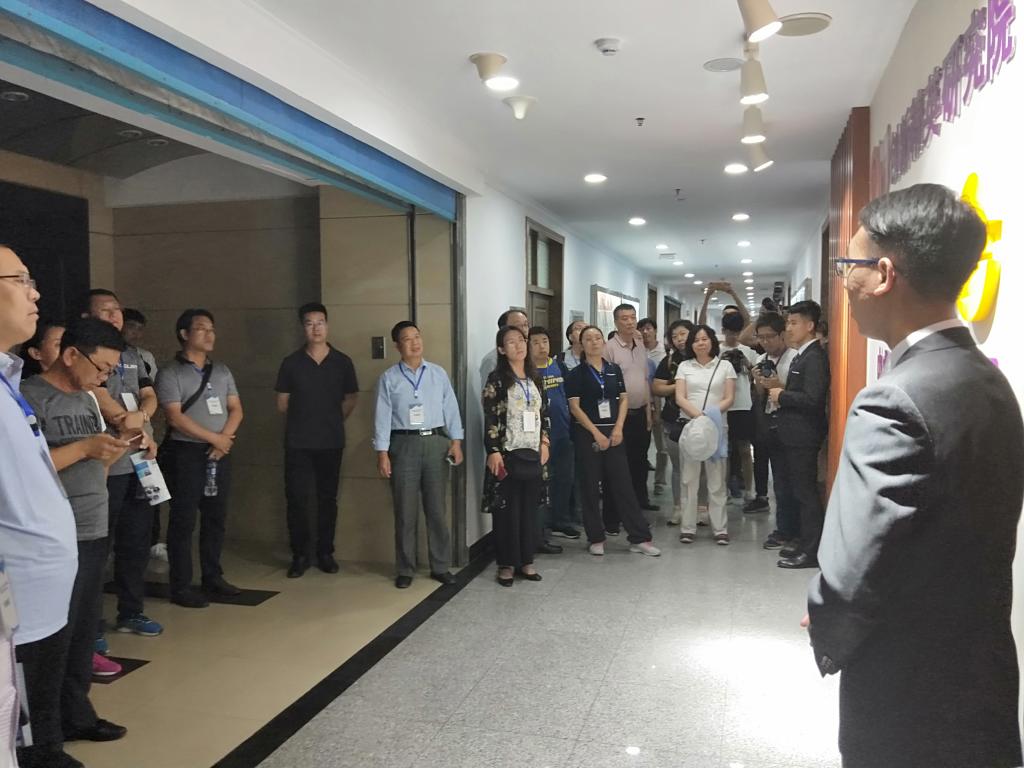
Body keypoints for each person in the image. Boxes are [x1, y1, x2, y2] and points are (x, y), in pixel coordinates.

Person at [807, 184, 1023, 768]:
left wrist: (827, 623)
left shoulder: (893, 400)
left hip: (905, 685)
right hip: (980, 669)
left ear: (883, 274)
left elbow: (853, 566)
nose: (843, 283)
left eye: (847, 266)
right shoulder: (989, 381)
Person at [21, 318, 134, 750]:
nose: (104, 378)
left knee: (84, 630)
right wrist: (86, 448)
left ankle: (77, 713)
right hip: (54, 533)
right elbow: (24, 468)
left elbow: (94, 460)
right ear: (71, 355)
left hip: (92, 524)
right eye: (102, 368)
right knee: (54, 639)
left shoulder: (87, 398)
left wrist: (114, 447)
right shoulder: (28, 397)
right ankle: (44, 737)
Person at [0, 246, 81, 768]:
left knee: (36, 718)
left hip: (41, 595)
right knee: (18, 727)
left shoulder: (8, 381)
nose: (36, 293)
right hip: (16, 604)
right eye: (20, 279)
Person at [83, 290, 163, 639]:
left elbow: (149, 393)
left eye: (117, 310)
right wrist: (127, 422)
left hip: (141, 460)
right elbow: (98, 395)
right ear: (87, 318)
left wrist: (142, 419)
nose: (115, 316)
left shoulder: (132, 355)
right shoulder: (84, 354)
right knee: (100, 546)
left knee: (137, 540)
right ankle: (91, 626)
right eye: (106, 310)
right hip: (108, 462)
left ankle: (132, 611)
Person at [155, 309, 244, 607]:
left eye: (212, 329)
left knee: (215, 516)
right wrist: (213, 438)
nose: (210, 334)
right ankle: (180, 585)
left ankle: (212, 576)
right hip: (186, 453)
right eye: (202, 328)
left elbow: (236, 409)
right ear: (184, 334)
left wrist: (224, 440)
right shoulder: (170, 372)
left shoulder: (222, 371)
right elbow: (174, 417)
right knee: (183, 519)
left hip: (220, 452)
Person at [373, 321, 464, 589]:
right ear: (397, 345)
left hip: (436, 442)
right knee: (405, 510)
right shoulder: (389, 378)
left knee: (437, 509)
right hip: (403, 444)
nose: (414, 342)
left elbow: (451, 408)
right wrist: (382, 453)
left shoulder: (437, 373)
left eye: (417, 337)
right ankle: (405, 568)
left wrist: (456, 441)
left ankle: (440, 566)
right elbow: (381, 417)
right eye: (407, 339)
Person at [275, 302, 359, 578]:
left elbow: (351, 399)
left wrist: (330, 419)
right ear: (303, 328)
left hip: (331, 440)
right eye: (310, 323)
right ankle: (300, 555)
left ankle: (325, 553)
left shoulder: (342, 362)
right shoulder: (291, 363)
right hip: (298, 441)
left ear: (327, 325)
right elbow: (282, 403)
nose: (316, 328)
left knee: (327, 500)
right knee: (297, 499)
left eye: (320, 322)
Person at [565, 325, 660, 557]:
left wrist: (618, 428)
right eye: (588, 339)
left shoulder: (613, 369)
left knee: (623, 484)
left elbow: (623, 399)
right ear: (581, 344)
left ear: (603, 342)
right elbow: (575, 407)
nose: (594, 342)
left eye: (598, 338)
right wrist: (596, 434)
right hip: (588, 434)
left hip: (615, 432)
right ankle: (596, 538)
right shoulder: (576, 374)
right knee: (590, 486)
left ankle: (639, 538)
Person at [482, 326, 550, 585]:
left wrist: (545, 442)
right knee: (507, 512)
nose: (519, 345)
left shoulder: (535, 378)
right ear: (501, 349)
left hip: (533, 453)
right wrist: (493, 450)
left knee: (529, 510)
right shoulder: (497, 379)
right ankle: (506, 564)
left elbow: (544, 414)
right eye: (511, 342)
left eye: (521, 340)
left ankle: (527, 561)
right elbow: (490, 416)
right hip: (507, 454)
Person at [768, 300, 830, 569]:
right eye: (788, 322)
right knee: (798, 491)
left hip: (804, 435)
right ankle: (804, 543)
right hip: (793, 434)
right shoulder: (802, 355)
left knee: (806, 494)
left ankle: (811, 551)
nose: (789, 328)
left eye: (794, 323)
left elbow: (813, 399)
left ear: (810, 325)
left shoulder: (814, 357)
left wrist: (782, 395)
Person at [674, 325, 737, 544]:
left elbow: (729, 398)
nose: (701, 343)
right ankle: (687, 527)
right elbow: (680, 397)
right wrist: (698, 416)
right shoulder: (684, 366)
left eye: (705, 339)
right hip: (691, 428)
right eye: (696, 340)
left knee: (717, 480)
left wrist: (710, 416)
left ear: (712, 341)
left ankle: (720, 528)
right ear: (691, 344)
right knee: (688, 479)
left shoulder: (725, 366)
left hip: (717, 428)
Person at [603, 305, 658, 515]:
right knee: (619, 465)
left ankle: (640, 501)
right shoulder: (609, 348)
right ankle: (617, 510)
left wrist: (648, 410)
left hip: (640, 412)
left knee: (640, 461)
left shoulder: (640, 345)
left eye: (633, 317)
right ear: (616, 322)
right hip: (620, 416)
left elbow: (644, 379)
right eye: (624, 318)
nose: (630, 322)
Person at [750, 313, 799, 548]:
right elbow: (762, 396)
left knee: (793, 481)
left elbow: (794, 393)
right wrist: (759, 382)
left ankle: (792, 531)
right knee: (779, 480)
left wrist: (778, 385)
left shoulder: (795, 358)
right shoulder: (761, 359)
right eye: (761, 337)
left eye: (770, 336)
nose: (765, 342)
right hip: (770, 423)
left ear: (782, 335)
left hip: (792, 425)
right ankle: (784, 529)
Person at [529, 326, 577, 542]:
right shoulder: (527, 371)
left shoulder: (559, 366)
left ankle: (561, 521)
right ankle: (540, 527)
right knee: (541, 481)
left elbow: (570, 396)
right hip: (539, 438)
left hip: (563, 432)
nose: (542, 346)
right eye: (536, 342)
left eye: (545, 341)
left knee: (564, 478)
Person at [651, 320, 692, 525]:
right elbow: (657, 388)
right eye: (674, 336)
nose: (679, 339)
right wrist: (678, 386)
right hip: (674, 418)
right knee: (678, 466)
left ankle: (701, 508)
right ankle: (678, 507)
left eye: (683, 334)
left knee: (701, 466)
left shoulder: (705, 358)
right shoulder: (669, 361)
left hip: (700, 418)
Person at [718, 312, 759, 503]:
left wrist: (747, 365)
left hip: (743, 405)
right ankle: (724, 490)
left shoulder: (748, 351)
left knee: (744, 450)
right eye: (729, 332)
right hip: (724, 406)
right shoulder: (718, 351)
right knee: (724, 451)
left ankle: (749, 490)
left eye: (736, 332)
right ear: (723, 331)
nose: (733, 336)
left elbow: (757, 377)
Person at [639, 317, 669, 497]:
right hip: (642, 405)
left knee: (662, 447)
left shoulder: (665, 352)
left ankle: (659, 480)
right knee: (641, 446)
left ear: (655, 330)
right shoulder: (636, 350)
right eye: (642, 329)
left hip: (662, 404)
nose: (645, 332)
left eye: (649, 328)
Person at [479, 309, 529, 385]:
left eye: (525, 325)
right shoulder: (491, 360)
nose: (524, 329)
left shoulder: (526, 355)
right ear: (503, 329)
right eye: (518, 325)